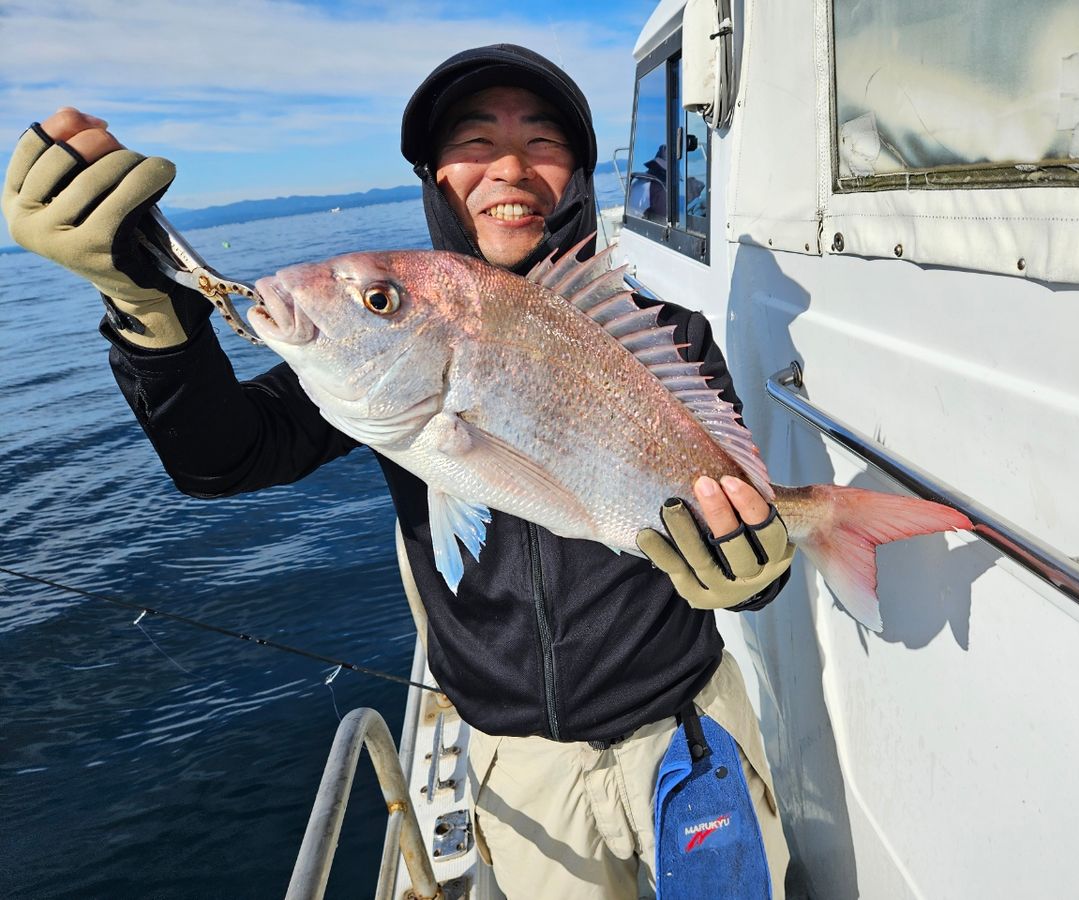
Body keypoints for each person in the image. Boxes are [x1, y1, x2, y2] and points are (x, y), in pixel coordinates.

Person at [3, 45, 793, 898]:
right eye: (474, 139)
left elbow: (738, 527)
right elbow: (220, 457)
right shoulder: (383, 360)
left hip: (689, 730)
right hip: (518, 765)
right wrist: (150, 311)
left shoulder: (664, 335)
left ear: (579, 173)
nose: (510, 165)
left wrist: (757, 572)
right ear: (433, 176)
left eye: (543, 139)